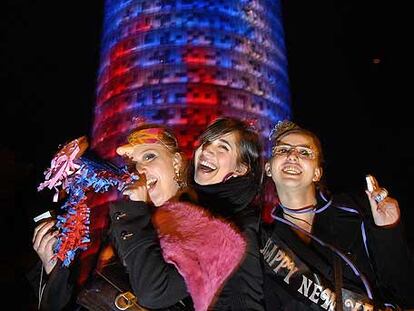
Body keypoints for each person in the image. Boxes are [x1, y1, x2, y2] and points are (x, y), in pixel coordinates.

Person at [260, 120, 414, 310]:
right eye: (283, 150)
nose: (292, 156)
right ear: (268, 168)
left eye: (305, 152)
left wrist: (388, 230)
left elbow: (403, 289)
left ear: (317, 173)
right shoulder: (264, 240)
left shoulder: (355, 211)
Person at [108, 123, 248, 311]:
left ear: (175, 162)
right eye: (132, 165)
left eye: (149, 156)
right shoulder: (132, 221)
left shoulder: (211, 227)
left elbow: (154, 293)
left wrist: (134, 215)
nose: (139, 170)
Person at [190, 116, 266, 310]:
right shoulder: (192, 207)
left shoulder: (237, 229)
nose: (206, 149)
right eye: (206, 142)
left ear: (240, 169)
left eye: (222, 147)